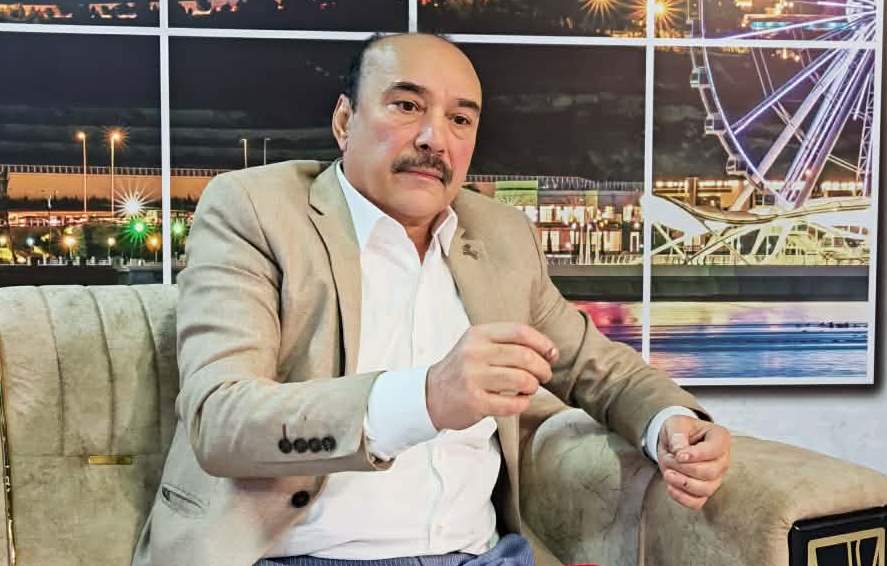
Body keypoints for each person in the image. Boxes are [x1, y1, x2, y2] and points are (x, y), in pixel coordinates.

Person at [132, 32, 731, 566]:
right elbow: (221, 420)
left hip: (485, 554)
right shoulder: (255, 211)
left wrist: (671, 424)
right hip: (298, 556)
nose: (433, 138)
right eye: (407, 106)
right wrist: (426, 398)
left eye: (460, 120)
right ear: (345, 121)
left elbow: (601, 369)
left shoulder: (500, 235)